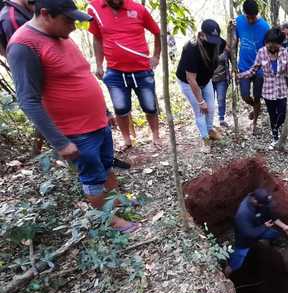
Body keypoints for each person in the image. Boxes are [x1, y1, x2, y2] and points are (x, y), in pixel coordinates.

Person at [8, 0, 139, 233]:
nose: (74, 25)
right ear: (46, 14)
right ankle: (108, 218)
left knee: (106, 166)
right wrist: (60, 142)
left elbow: (81, 74)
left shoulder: (61, 36)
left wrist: (106, 112)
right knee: (92, 176)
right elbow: (28, 100)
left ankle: (117, 200)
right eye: (68, 20)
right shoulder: (24, 45)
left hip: (97, 123)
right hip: (76, 132)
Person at [87, 0, 162, 150]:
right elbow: (97, 38)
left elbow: (157, 31)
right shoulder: (95, 9)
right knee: (120, 108)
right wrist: (99, 64)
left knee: (150, 106)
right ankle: (127, 140)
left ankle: (155, 135)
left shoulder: (138, 8)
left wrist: (156, 56)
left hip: (142, 69)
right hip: (115, 72)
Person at [239, 27, 288, 149]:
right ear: (266, 42)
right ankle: (275, 137)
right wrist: (240, 75)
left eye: (275, 45)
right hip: (268, 91)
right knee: (272, 115)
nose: (272, 48)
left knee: (282, 114)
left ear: (279, 44)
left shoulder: (284, 52)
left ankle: (275, 128)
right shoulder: (261, 52)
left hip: (281, 89)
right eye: (269, 44)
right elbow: (253, 70)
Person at [224, 188, 288, 276]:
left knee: (275, 234)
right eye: (263, 204)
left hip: (260, 228)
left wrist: (284, 226)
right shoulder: (243, 213)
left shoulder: (261, 202)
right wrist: (264, 227)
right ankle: (226, 275)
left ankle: (274, 242)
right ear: (255, 200)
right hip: (244, 240)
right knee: (236, 264)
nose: (265, 206)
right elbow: (249, 234)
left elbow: (271, 215)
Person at [176, 19, 222, 152]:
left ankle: (209, 130)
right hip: (188, 83)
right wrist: (201, 101)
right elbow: (191, 79)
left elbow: (227, 46)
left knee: (212, 107)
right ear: (201, 35)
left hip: (205, 80)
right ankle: (205, 139)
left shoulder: (216, 42)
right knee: (200, 111)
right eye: (211, 38)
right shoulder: (191, 49)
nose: (214, 42)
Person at [233, 0, 270, 132]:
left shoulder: (265, 27)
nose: (250, 20)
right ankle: (256, 107)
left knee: (257, 95)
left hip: (259, 68)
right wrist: (233, 64)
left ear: (257, 14)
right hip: (243, 66)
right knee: (244, 95)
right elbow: (234, 42)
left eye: (253, 17)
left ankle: (254, 123)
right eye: (248, 17)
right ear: (244, 14)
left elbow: (268, 49)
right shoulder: (239, 21)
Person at [212, 37, 231, 128]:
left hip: (222, 79)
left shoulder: (226, 49)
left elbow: (232, 60)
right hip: (209, 79)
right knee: (210, 100)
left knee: (221, 99)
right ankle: (209, 121)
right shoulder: (207, 49)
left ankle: (221, 119)